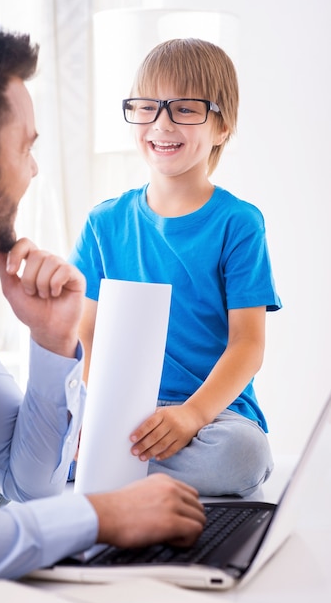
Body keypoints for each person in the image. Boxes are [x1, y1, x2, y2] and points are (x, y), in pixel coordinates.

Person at [0, 20, 206, 599]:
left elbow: (28, 486)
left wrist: (52, 340)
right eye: (26, 147)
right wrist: (97, 516)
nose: (34, 169)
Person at [69, 38, 282, 497]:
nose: (161, 124)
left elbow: (248, 344)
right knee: (5, 438)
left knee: (244, 455)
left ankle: (100, 477)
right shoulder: (104, 222)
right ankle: (100, 468)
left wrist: (191, 415)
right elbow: (87, 336)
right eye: (147, 107)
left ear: (222, 128)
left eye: (185, 109)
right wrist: (87, 418)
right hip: (120, 409)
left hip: (213, 415)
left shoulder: (239, 224)